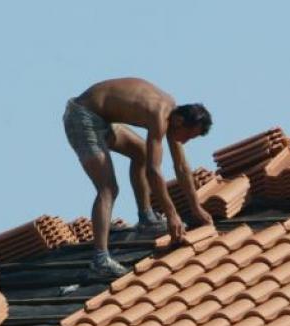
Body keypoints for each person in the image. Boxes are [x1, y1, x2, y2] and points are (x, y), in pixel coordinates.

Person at [63, 77, 214, 277]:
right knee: (108, 188)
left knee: (142, 153)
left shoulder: (175, 116)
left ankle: (146, 220)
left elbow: (181, 166)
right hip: (82, 116)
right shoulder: (160, 115)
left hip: (102, 119)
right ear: (179, 122)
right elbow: (154, 171)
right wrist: (171, 215)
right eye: (188, 136)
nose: (185, 142)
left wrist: (196, 208)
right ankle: (100, 258)